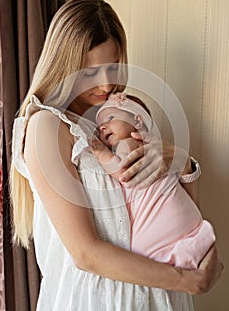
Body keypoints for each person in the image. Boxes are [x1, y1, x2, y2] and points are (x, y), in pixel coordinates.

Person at [10, 0, 223, 311]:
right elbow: (85, 253)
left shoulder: (126, 112)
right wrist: (186, 280)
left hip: (160, 296)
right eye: (90, 72)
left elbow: (173, 211)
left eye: (114, 67)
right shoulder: (48, 126)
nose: (107, 84)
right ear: (64, 67)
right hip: (96, 301)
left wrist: (181, 161)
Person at [92, 92, 216, 269]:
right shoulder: (157, 145)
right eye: (100, 125)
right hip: (188, 220)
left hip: (160, 227)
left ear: (138, 122)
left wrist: (102, 154)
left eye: (110, 118)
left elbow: (124, 173)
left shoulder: (129, 144)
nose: (103, 127)